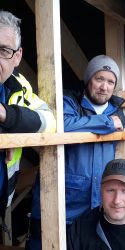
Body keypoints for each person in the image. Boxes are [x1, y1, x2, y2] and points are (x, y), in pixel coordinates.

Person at [27, 55, 125, 249]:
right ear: (88, 79)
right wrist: (107, 123)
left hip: (97, 208)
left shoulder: (118, 111)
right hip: (61, 206)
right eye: (99, 79)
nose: (104, 87)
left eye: (110, 81)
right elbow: (64, 125)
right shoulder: (70, 101)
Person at [0, 10, 56, 236]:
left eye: (4, 50)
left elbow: (49, 121)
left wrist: (8, 118)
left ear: (17, 56)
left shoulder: (17, 87)